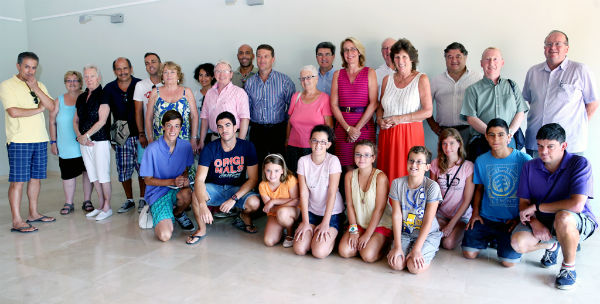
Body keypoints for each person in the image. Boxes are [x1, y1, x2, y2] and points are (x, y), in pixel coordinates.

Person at [511, 123, 596, 289]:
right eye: (540, 146)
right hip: (542, 220)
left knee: (563, 217)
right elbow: (523, 204)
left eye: (550, 146)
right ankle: (553, 244)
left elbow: (577, 205)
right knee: (517, 244)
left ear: (563, 146)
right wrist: (534, 222)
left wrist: (537, 207)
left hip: (574, 219)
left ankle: (568, 268)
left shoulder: (580, 164)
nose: (543, 152)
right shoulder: (530, 166)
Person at [461, 118, 532, 267]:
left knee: (508, 263)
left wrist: (520, 219)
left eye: (500, 134)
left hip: (511, 220)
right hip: (487, 217)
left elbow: (531, 193)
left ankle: (500, 240)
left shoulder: (524, 160)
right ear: (486, 137)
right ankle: (492, 238)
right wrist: (475, 213)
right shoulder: (481, 160)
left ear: (509, 137)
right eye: (491, 135)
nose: (496, 139)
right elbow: (479, 189)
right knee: (468, 253)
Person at [0, 52, 56, 233]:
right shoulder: (7, 85)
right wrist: (38, 109)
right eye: (27, 67)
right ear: (18, 66)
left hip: (40, 138)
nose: (30, 71)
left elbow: (52, 106)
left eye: (34, 67)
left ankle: (33, 214)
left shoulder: (39, 85)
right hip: (19, 140)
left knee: (35, 179)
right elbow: (13, 112)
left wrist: (36, 89)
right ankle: (17, 220)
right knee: (18, 181)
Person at [522, 30, 599, 156]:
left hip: (569, 145)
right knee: (536, 176)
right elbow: (532, 101)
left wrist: (577, 126)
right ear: (544, 48)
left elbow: (593, 103)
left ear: (567, 48)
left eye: (558, 44)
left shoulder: (580, 70)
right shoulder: (533, 72)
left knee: (568, 176)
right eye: (548, 44)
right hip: (537, 144)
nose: (552, 48)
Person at [190, 111, 261, 243]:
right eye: (220, 126)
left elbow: (253, 179)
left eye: (228, 125)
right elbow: (199, 180)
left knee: (254, 203)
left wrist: (234, 199)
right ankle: (202, 229)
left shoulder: (247, 147)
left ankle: (243, 216)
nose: (224, 130)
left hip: (236, 189)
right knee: (195, 194)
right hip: (215, 188)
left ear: (235, 127)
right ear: (217, 130)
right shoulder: (210, 148)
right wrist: (202, 205)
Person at [376, 38, 433, 182]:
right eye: (397, 57)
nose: (400, 61)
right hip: (387, 135)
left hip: (410, 135)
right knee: (387, 175)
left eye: (404, 57)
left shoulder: (421, 78)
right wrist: (379, 120)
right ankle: (388, 204)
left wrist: (399, 119)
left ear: (412, 59)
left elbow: (428, 111)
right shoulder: (386, 80)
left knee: (408, 174)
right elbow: (380, 107)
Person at [460, 47, 529, 161]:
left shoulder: (512, 86)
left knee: (509, 175)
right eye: (487, 59)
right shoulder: (472, 90)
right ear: (481, 63)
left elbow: (520, 112)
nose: (491, 63)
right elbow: (471, 118)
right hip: (482, 142)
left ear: (502, 62)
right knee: (484, 176)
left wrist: (508, 134)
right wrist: (492, 134)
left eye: (495, 59)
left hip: (509, 141)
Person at [140, 110, 196, 241]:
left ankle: (177, 213)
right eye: (169, 125)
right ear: (163, 126)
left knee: (188, 194)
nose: (172, 130)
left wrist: (184, 180)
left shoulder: (186, 146)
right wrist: (172, 181)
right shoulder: (151, 149)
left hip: (177, 190)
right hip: (158, 193)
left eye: (176, 126)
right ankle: (157, 211)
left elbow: (185, 170)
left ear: (180, 128)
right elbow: (148, 180)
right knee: (165, 236)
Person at [387, 146, 442, 274]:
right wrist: (397, 247)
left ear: (427, 167)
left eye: (419, 162)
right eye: (411, 161)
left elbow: (428, 220)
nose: (414, 165)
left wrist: (417, 249)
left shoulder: (432, 187)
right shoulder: (397, 184)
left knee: (414, 267)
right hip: (406, 233)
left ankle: (427, 249)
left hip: (427, 234)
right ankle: (406, 248)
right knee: (397, 264)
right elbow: (396, 215)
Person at [293, 125, 345, 259]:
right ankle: (314, 234)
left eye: (323, 142)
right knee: (299, 249)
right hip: (312, 212)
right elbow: (303, 193)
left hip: (331, 213)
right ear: (310, 142)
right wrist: (305, 221)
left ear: (328, 144)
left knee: (319, 252)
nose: (318, 145)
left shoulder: (333, 161)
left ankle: (335, 235)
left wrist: (326, 223)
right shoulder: (303, 161)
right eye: (315, 140)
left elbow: (332, 193)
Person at [338, 140, 392, 263]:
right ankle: (364, 244)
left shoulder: (380, 177)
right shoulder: (349, 176)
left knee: (368, 256)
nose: (362, 158)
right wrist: (353, 231)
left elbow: (379, 210)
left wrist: (367, 235)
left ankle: (385, 242)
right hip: (359, 223)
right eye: (358, 154)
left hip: (379, 224)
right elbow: (350, 206)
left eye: (367, 155)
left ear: (373, 158)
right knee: (344, 251)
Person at [104, 57, 145, 214]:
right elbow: (106, 115)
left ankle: (143, 198)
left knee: (143, 169)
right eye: (119, 69)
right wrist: (110, 137)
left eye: (125, 68)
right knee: (123, 169)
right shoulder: (109, 88)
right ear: (115, 71)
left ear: (131, 68)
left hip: (140, 134)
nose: (122, 72)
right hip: (120, 135)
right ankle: (129, 200)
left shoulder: (140, 85)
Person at [49, 71, 93, 215]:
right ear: (65, 83)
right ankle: (69, 202)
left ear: (81, 82)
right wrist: (53, 142)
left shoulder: (87, 97)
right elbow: (52, 121)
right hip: (66, 145)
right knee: (68, 175)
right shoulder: (59, 100)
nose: (72, 83)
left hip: (85, 144)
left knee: (87, 174)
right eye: (68, 80)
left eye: (75, 80)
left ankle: (87, 201)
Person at [330, 37, 378, 169]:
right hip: (343, 127)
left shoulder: (370, 72)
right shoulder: (337, 74)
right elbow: (333, 104)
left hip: (364, 127)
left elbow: (374, 103)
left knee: (365, 167)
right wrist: (348, 128)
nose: (349, 53)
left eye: (352, 49)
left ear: (359, 52)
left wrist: (356, 129)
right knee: (346, 169)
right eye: (345, 50)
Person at [245, 44, 296, 166]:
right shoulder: (249, 83)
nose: (262, 60)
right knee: (257, 164)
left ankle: (279, 186)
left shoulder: (284, 81)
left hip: (278, 129)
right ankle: (259, 186)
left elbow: (292, 109)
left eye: (266, 56)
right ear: (255, 58)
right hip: (257, 130)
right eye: (259, 56)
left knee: (278, 164)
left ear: (273, 59)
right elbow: (246, 110)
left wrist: (289, 135)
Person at [74, 65, 113, 221]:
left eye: (91, 76)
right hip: (84, 142)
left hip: (100, 141)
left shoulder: (104, 95)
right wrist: (79, 136)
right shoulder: (81, 97)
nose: (88, 79)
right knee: (93, 175)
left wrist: (87, 135)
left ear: (98, 78)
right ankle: (101, 205)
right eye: (86, 76)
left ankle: (107, 207)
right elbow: (75, 120)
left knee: (103, 175)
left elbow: (102, 121)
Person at [427, 42, 482, 142]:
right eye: (449, 57)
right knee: (446, 158)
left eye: (458, 56)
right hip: (445, 131)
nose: (454, 60)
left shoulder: (477, 78)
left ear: (465, 57)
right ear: (445, 59)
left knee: (470, 158)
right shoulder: (436, 80)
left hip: (471, 131)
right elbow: (426, 106)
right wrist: (433, 126)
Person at [430, 128, 474, 249]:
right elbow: (432, 195)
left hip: (460, 217)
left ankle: (458, 231)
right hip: (441, 214)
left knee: (448, 244)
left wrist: (451, 225)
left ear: (459, 144)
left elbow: (467, 201)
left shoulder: (467, 166)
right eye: (444, 143)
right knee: (424, 231)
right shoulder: (435, 163)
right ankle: (444, 227)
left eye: (452, 143)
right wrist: (432, 217)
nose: (448, 147)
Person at [286, 65, 334, 173]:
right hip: (293, 146)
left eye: (308, 77)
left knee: (311, 179)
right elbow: (289, 122)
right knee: (293, 179)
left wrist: (324, 146)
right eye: (302, 78)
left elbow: (329, 126)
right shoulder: (296, 96)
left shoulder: (324, 98)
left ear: (316, 78)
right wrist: (287, 140)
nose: (305, 81)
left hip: (314, 147)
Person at [146, 61, 199, 150]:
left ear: (178, 75)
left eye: (172, 72)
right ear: (162, 76)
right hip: (159, 140)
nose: (169, 75)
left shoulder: (187, 92)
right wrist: (150, 138)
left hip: (183, 139)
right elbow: (149, 117)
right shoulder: (155, 92)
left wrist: (194, 138)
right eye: (165, 72)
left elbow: (194, 116)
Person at [199, 60, 250, 149]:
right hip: (214, 138)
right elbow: (204, 118)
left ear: (231, 74)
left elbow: (245, 119)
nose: (221, 74)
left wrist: (240, 143)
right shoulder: (209, 93)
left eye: (225, 71)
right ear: (214, 75)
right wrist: (201, 141)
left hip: (234, 138)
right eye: (218, 71)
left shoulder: (239, 92)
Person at [134, 52, 162, 211]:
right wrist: (141, 133)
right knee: (144, 168)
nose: (150, 65)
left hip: (164, 134)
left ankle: (163, 197)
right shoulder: (141, 85)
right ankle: (143, 198)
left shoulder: (167, 82)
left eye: (153, 61)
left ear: (160, 63)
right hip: (147, 134)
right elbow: (138, 111)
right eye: (146, 63)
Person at [259, 154, 299, 248]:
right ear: (264, 170)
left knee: (282, 213)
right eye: (268, 170)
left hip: (293, 211)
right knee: (269, 241)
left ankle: (290, 233)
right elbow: (270, 210)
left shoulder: (290, 179)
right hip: (276, 213)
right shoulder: (262, 185)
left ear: (282, 170)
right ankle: (281, 229)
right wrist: (274, 206)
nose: (272, 175)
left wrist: (273, 201)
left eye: (276, 170)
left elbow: (297, 200)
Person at [193, 62, 215, 143]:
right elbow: (191, 116)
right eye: (200, 75)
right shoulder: (194, 94)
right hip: (198, 134)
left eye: (207, 75)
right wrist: (194, 136)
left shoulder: (218, 94)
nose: (203, 78)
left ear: (212, 77)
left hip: (213, 134)